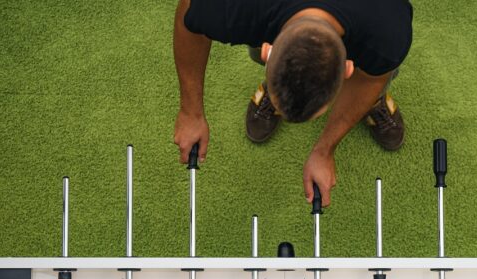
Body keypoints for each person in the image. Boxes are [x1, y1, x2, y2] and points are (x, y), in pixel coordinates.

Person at [173, 0, 413, 206]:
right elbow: (189, 21)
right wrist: (190, 112)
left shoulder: (387, 28)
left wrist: (324, 150)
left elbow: (370, 80)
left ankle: (373, 102)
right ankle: (282, 89)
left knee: (377, 70)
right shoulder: (230, 6)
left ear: (349, 68)